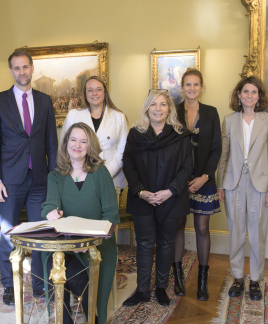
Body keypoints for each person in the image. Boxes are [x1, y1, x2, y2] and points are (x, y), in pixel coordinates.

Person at [0, 49, 59, 306]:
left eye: (25, 67)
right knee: (8, 234)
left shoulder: (45, 100)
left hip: (40, 179)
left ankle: (40, 284)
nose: (21, 72)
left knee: (42, 234)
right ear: (11, 71)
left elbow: (52, 143)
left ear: (32, 68)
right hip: (9, 180)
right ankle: (9, 285)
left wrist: (54, 181)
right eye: (16, 68)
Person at [41, 122, 120, 324]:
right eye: (73, 140)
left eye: (83, 141)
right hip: (64, 243)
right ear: (66, 143)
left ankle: (92, 318)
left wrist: (90, 241)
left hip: (98, 242)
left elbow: (111, 216)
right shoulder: (55, 177)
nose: (78, 145)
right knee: (55, 265)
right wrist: (51, 213)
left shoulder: (100, 173)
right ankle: (65, 320)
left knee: (80, 280)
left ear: (89, 146)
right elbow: (49, 204)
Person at [122, 90, 193, 307]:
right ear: (147, 108)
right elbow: (128, 164)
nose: (158, 109)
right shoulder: (136, 134)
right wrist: (141, 191)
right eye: (153, 104)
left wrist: (170, 191)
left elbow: (187, 167)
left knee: (165, 243)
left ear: (169, 109)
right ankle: (142, 290)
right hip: (142, 198)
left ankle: (161, 288)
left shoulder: (181, 135)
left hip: (171, 198)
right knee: (143, 244)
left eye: (163, 105)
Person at [217, 76, 268, 301]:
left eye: (254, 92)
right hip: (233, 183)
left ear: (259, 96)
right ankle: (237, 277)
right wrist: (220, 184)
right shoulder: (229, 120)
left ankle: (255, 280)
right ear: (239, 95)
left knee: (257, 234)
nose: (249, 96)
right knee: (236, 233)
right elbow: (223, 155)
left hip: (260, 185)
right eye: (245, 91)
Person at [172, 68, 221, 300]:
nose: (192, 89)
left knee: (202, 228)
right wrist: (181, 179)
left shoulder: (211, 113)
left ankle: (202, 281)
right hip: (179, 179)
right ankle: (178, 279)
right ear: (182, 87)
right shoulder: (173, 111)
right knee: (178, 226)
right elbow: (168, 147)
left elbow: (216, 148)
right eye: (188, 85)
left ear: (202, 87)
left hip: (204, 178)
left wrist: (205, 177)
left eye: (196, 85)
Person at [60, 76, 128, 194]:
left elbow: (123, 151)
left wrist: (104, 174)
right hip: (78, 179)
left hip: (111, 179)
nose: (94, 93)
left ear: (105, 92)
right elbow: (64, 146)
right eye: (90, 90)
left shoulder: (119, 117)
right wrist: (80, 174)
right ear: (85, 93)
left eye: (98, 89)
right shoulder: (73, 115)